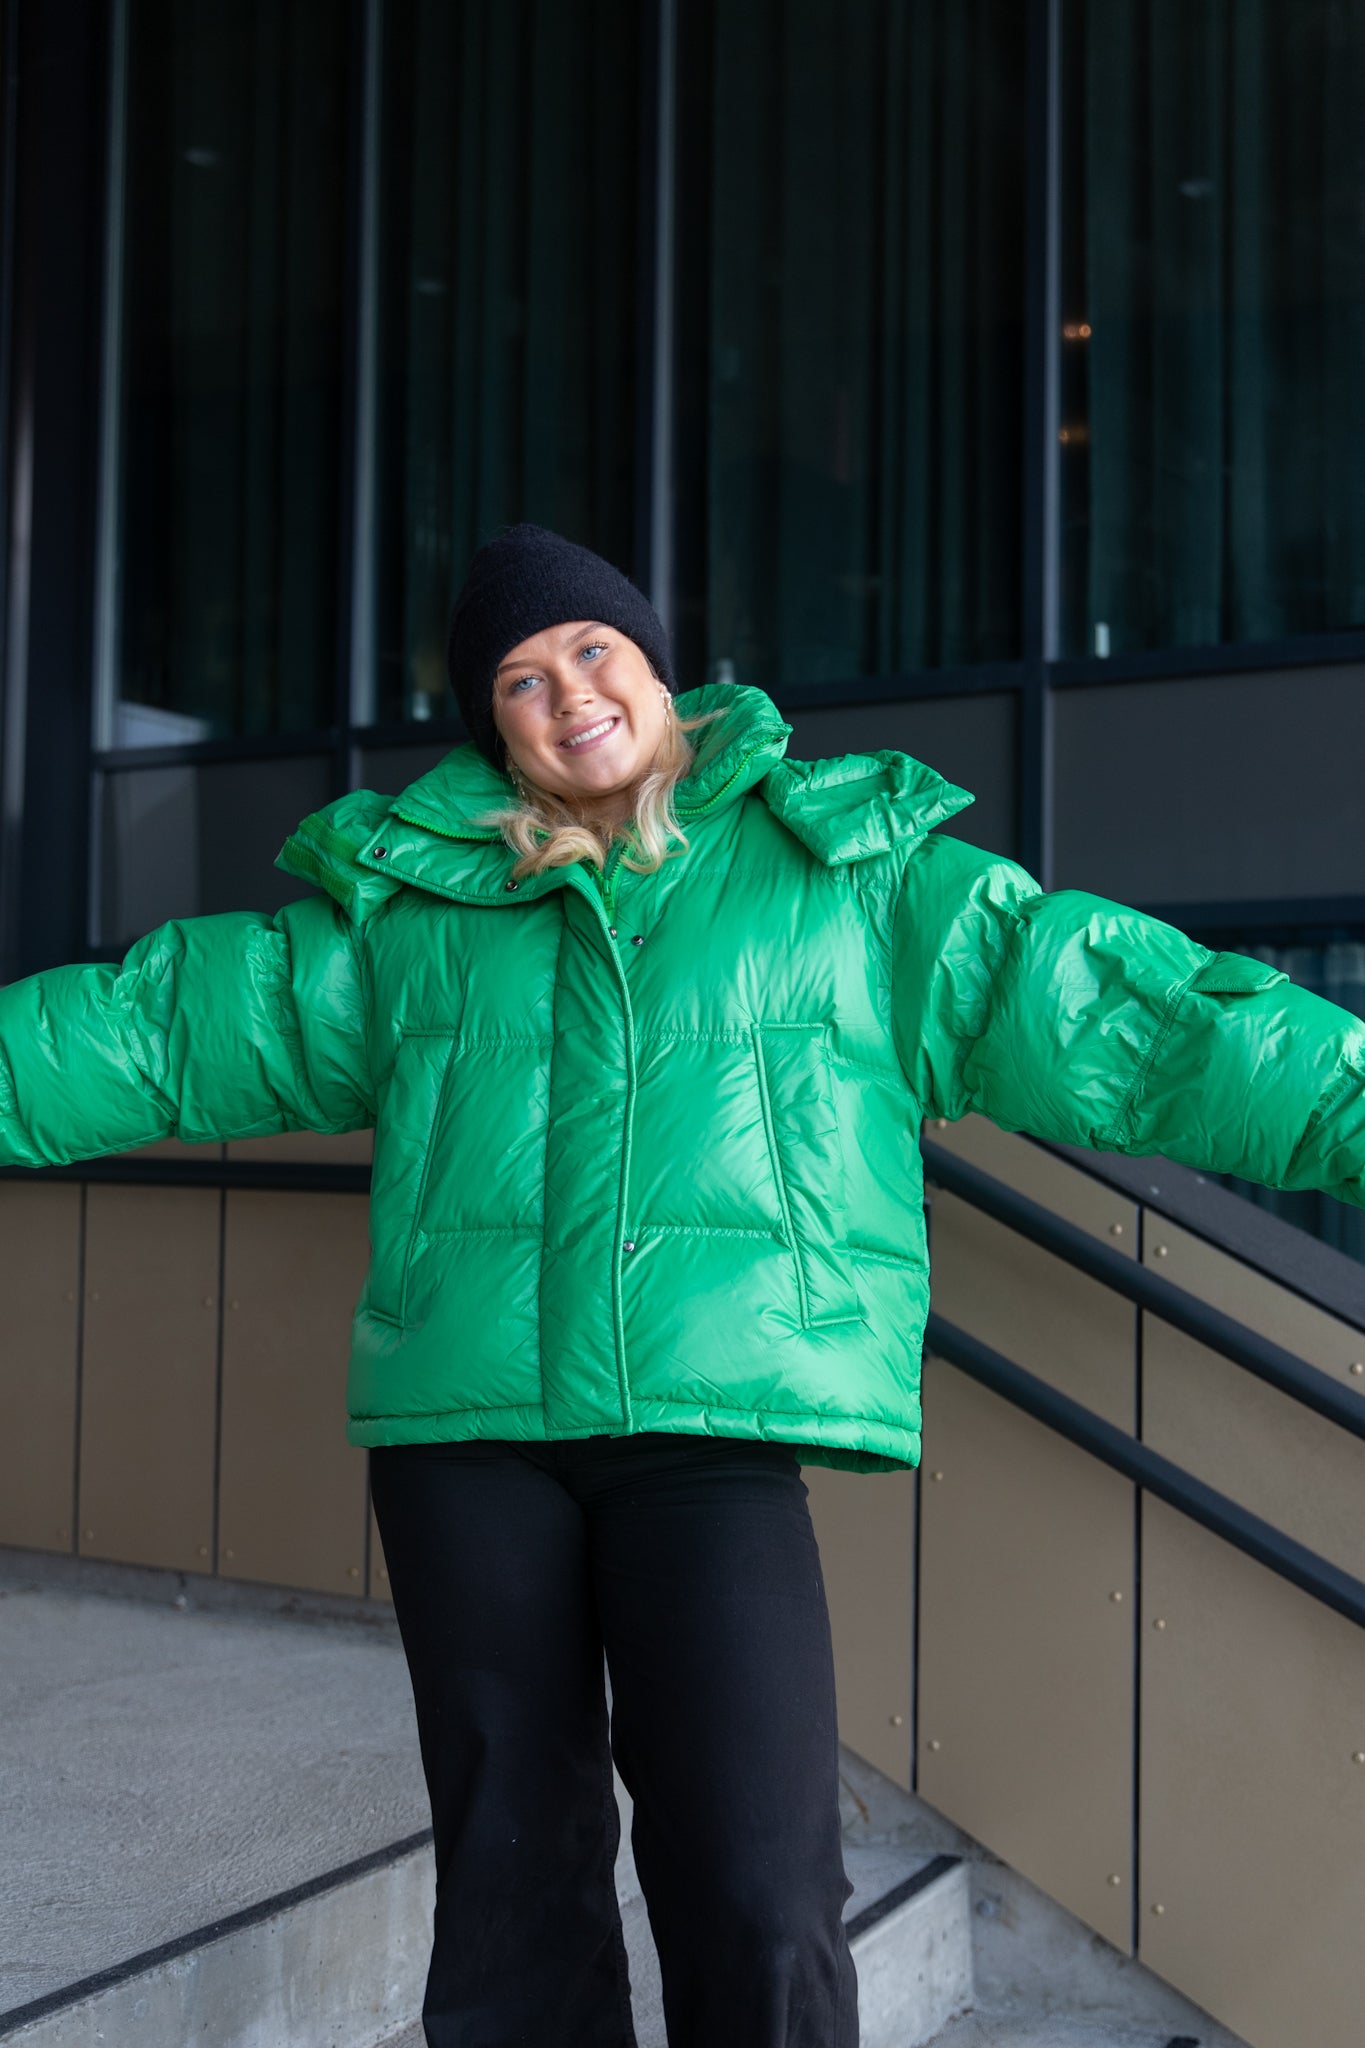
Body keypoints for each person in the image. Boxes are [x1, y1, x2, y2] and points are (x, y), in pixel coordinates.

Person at [3, 521, 1365, 2047]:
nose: (566, 693)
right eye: (519, 680)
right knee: (513, 1889)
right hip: (469, 1443)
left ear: (657, 668)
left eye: (590, 649)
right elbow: (155, 1030)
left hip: (706, 1443)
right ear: (494, 728)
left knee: (761, 1890)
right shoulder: (409, 912)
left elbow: (1142, 1020)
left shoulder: (849, 875)